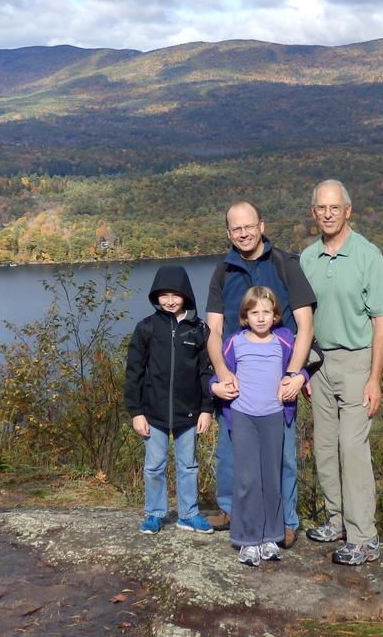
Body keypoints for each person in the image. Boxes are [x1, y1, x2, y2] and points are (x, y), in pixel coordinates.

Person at [205, 201, 315, 547]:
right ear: (228, 233)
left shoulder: (284, 264)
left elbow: (305, 325)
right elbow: (213, 329)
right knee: (230, 451)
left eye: (249, 226)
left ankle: (286, 521)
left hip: (275, 379)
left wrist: (296, 373)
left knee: (280, 455)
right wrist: (221, 373)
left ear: (262, 225)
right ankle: (230, 509)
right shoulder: (224, 270)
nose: (244, 233)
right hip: (237, 379)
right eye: (236, 228)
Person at [299, 180, 383, 566]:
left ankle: (364, 537)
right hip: (319, 364)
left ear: (348, 210)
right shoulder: (307, 258)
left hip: (357, 363)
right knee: (324, 447)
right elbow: (303, 319)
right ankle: (337, 522)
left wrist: (375, 379)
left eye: (335, 207)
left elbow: (381, 323)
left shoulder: (368, 256)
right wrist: (303, 367)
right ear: (314, 213)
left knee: (353, 449)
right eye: (322, 207)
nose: (328, 213)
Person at [216, 286, 308, 565]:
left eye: (266, 312)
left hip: (273, 417)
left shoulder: (283, 341)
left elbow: (298, 369)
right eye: (254, 312)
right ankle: (247, 539)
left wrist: (301, 378)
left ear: (276, 315)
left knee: (271, 477)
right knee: (247, 479)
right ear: (245, 316)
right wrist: (215, 387)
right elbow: (219, 375)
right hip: (243, 417)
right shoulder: (235, 342)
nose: (260, 318)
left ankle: (270, 536)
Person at [124, 264, 214, 535]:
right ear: (156, 296)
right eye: (164, 295)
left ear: (185, 294)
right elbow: (134, 372)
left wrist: (206, 409)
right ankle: (154, 513)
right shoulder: (146, 328)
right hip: (154, 414)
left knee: (188, 465)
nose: (170, 300)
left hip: (189, 413)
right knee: (154, 466)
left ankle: (189, 514)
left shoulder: (198, 329)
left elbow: (206, 372)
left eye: (175, 294)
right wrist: (136, 411)